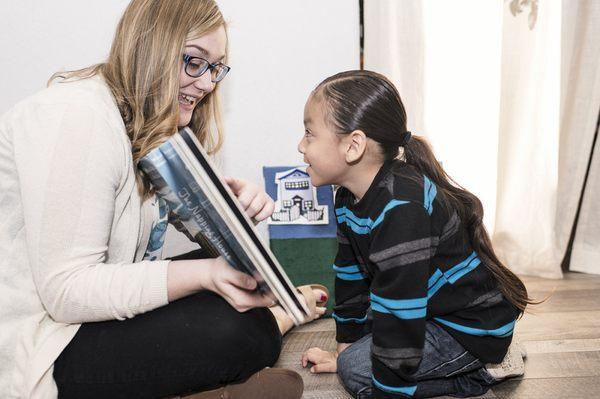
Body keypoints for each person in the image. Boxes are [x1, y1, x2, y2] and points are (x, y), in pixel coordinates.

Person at [0, 1, 326, 398]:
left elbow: (194, 239)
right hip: (46, 343)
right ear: (149, 49)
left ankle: (248, 353)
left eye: (215, 68)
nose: (207, 84)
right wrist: (207, 274)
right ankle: (256, 350)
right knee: (236, 328)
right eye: (193, 62)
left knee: (249, 281)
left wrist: (232, 212)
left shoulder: (148, 124)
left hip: (92, 317)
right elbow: (67, 293)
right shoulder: (77, 118)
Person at [298, 70, 532, 399]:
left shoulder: (402, 207)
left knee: (360, 372)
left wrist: (378, 385)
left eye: (309, 134)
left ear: (353, 146)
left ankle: (483, 371)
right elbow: (350, 276)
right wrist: (344, 350)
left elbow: (400, 312)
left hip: (469, 329)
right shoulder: (347, 198)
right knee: (356, 358)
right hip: (427, 311)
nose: (300, 145)